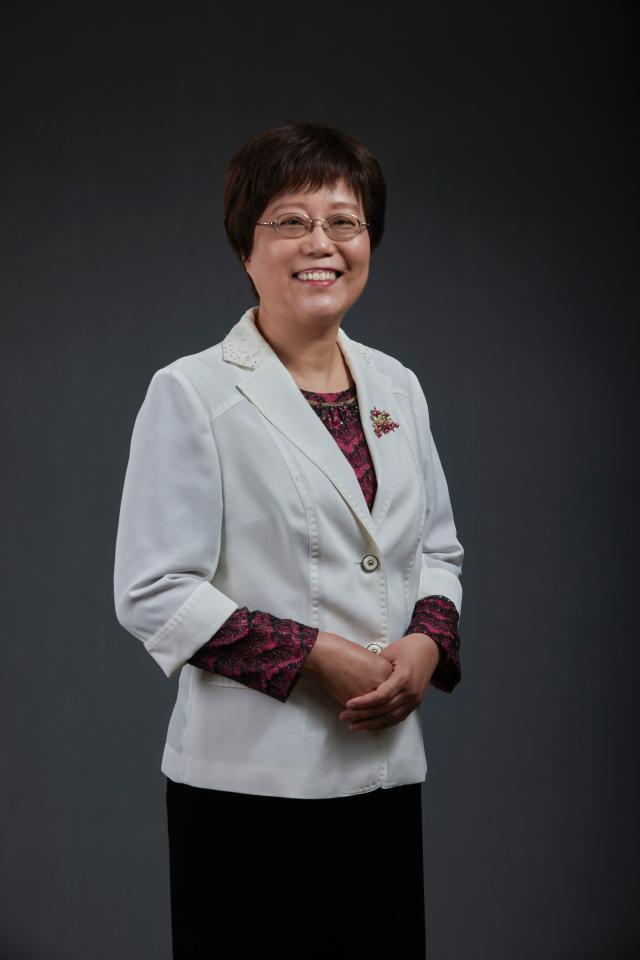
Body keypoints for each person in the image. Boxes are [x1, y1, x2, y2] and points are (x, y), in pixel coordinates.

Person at [113, 121, 464, 959]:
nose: (322, 244)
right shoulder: (191, 391)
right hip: (250, 790)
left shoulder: (397, 385)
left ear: (369, 241)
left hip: (384, 773)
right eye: (292, 222)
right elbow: (154, 592)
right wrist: (316, 655)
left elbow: (438, 551)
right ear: (246, 246)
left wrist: (426, 643)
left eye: (345, 222)